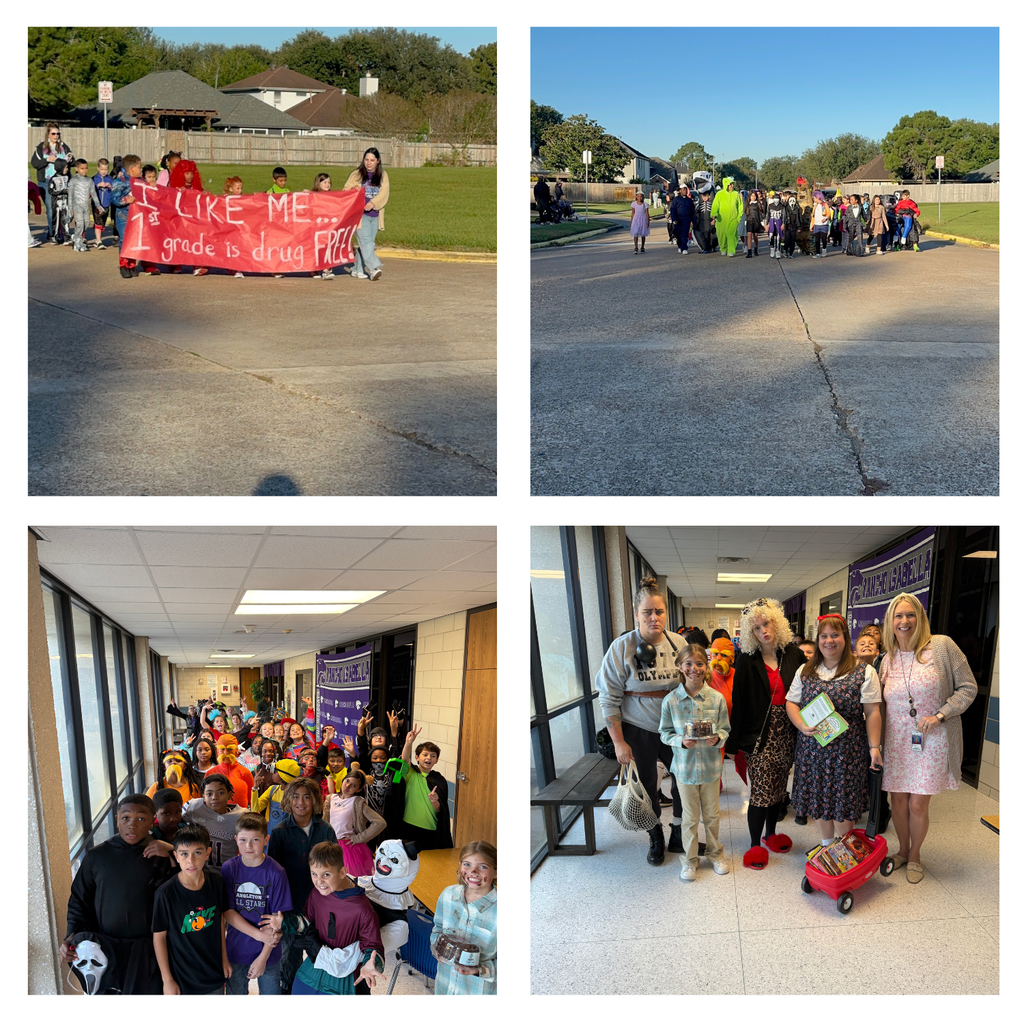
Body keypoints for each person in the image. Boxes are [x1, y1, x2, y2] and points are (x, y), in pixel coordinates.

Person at [879, 592, 977, 883]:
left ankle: (915, 855)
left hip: (931, 741)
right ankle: (902, 850)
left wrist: (940, 715)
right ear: (890, 622)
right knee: (898, 802)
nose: (905, 621)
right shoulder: (887, 659)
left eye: (911, 614)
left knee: (918, 804)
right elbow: (878, 704)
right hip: (896, 742)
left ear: (921, 617)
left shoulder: (942, 647)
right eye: (898, 616)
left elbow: (968, 687)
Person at [595, 575, 685, 865]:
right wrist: (619, 742)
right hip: (639, 729)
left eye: (659, 611)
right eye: (647, 612)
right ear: (636, 614)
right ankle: (655, 834)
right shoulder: (621, 648)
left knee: (684, 781)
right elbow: (609, 698)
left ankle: (679, 832)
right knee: (646, 787)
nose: (654, 617)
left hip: (675, 728)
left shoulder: (678, 643)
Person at [59, 794, 173, 993]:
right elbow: (79, 900)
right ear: (117, 820)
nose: (132, 825)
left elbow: (184, 892)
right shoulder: (97, 856)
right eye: (126, 818)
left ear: (152, 820)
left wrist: (173, 853)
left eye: (141, 818)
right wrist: (72, 936)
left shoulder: (162, 855)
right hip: (106, 947)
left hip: (150, 949)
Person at [786, 614, 883, 845]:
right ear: (818, 640)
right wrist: (801, 725)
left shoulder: (864, 671)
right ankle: (826, 845)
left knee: (844, 805)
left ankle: (844, 849)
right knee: (818, 801)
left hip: (847, 752)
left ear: (845, 638)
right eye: (824, 636)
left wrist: (874, 748)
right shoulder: (805, 670)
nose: (829, 641)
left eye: (835, 635)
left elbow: (872, 712)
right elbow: (791, 702)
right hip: (812, 750)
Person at [726, 598, 806, 869]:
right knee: (761, 792)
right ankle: (754, 845)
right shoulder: (746, 661)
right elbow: (739, 703)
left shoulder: (793, 655)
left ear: (777, 623)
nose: (763, 631)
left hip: (788, 733)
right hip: (759, 736)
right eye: (757, 628)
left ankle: (770, 835)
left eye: (767, 624)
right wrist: (733, 744)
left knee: (778, 790)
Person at [261, 842, 385, 995]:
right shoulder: (317, 893)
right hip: (317, 963)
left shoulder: (363, 909)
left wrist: (371, 964)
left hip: (346, 975)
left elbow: (373, 946)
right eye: (314, 874)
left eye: (326, 874)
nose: (319, 881)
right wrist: (284, 922)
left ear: (342, 872)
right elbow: (307, 922)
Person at [659, 645, 731, 880]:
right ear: (680, 667)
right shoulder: (671, 701)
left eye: (699, 664)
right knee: (689, 818)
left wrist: (717, 738)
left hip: (710, 768)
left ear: (706, 666)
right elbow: (664, 733)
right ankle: (690, 860)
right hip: (684, 769)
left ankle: (715, 854)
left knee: (712, 815)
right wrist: (680, 740)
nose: (694, 669)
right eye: (688, 664)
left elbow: (725, 729)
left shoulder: (716, 699)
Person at [267, 778, 339, 993]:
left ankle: (319, 992)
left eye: (307, 797)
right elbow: (274, 874)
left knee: (323, 953)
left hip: (323, 906)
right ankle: (289, 991)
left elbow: (336, 866)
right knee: (289, 955)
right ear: (288, 800)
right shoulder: (280, 831)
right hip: (290, 906)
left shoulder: (325, 829)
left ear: (315, 800)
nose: (301, 802)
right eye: (296, 797)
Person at [152, 823, 231, 995]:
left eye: (197, 853)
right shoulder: (165, 894)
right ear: (176, 856)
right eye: (184, 854)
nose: (191, 860)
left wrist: (224, 958)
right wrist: (167, 980)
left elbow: (220, 922)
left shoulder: (217, 882)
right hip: (183, 978)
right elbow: (159, 938)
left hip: (214, 972)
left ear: (207, 853)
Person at [222, 812, 292, 995]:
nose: (249, 846)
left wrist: (262, 958)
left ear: (266, 840)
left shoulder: (276, 872)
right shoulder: (229, 868)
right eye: (243, 840)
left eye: (255, 840)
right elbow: (228, 911)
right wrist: (260, 935)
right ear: (236, 840)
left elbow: (276, 921)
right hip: (236, 949)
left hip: (269, 953)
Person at [430, 840, 497, 994]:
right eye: (467, 864)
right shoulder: (448, 895)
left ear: (496, 872)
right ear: (460, 866)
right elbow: (438, 928)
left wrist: (480, 969)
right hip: (444, 986)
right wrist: (436, 947)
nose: (473, 871)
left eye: (483, 866)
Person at [397, 724, 454, 849]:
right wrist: (408, 743)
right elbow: (404, 760)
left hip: (430, 829)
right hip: (408, 826)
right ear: (417, 758)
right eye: (425, 755)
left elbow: (441, 810)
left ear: (436, 760)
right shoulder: (410, 773)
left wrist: (435, 801)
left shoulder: (440, 780)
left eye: (433, 756)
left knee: (428, 860)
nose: (429, 758)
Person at [325, 769, 386, 877]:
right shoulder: (331, 798)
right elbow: (325, 821)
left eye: (353, 785)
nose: (347, 786)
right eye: (347, 781)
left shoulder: (357, 802)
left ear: (358, 789)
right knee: (330, 877)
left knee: (348, 879)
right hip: (330, 844)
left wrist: (360, 838)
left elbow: (380, 822)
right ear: (343, 779)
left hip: (348, 848)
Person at [344, 147, 389, 281]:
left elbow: (384, 193)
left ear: (378, 161)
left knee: (367, 243)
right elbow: (345, 191)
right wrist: (354, 189)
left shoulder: (383, 175)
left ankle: (356, 269)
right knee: (366, 242)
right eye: (366, 160)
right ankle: (374, 268)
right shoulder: (356, 174)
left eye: (372, 160)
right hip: (360, 215)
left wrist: (373, 203)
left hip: (375, 215)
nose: (369, 163)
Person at [182, 773, 245, 867]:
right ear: (203, 797)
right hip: (199, 870)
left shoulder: (242, 816)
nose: (215, 797)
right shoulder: (193, 807)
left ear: (229, 795)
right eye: (209, 794)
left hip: (228, 870)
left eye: (220, 793)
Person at [31, 123, 74, 242]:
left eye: (58, 133)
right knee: (51, 208)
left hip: (62, 181)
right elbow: (34, 163)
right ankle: (52, 234)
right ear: (48, 135)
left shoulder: (63, 147)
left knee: (63, 208)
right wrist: (47, 159)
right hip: (46, 181)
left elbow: (72, 161)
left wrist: (70, 159)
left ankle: (61, 233)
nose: (56, 136)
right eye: (53, 133)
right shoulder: (41, 147)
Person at [110, 154, 144, 278]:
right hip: (123, 215)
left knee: (134, 240)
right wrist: (125, 200)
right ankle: (124, 265)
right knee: (124, 239)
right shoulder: (119, 182)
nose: (141, 169)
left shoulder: (141, 182)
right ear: (132, 169)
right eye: (139, 167)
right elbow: (114, 199)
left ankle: (132, 265)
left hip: (136, 216)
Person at [711, 177, 743, 257]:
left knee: (731, 234)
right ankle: (723, 248)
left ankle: (731, 250)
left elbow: (740, 206)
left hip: (733, 218)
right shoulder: (719, 194)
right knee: (721, 235)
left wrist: (738, 218)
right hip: (721, 219)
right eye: (730, 184)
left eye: (732, 184)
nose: (732, 186)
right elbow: (715, 205)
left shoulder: (736, 194)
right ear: (726, 184)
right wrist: (714, 214)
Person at [91, 158, 114, 248]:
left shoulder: (110, 179)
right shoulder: (94, 178)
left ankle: (98, 240)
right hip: (96, 205)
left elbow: (114, 191)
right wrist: (97, 186)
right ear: (98, 168)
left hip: (106, 204)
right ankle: (99, 241)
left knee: (103, 223)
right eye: (102, 169)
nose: (104, 171)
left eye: (106, 169)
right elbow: (90, 191)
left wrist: (110, 187)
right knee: (98, 221)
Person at [669, 185, 696, 254]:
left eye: (685, 189)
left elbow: (693, 211)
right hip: (678, 219)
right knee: (678, 233)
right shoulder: (676, 200)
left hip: (686, 219)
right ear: (680, 190)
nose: (685, 191)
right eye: (683, 189)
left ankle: (684, 248)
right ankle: (680, 245)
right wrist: (674, 219)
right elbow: (673, 209)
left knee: (684, 233)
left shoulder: (689, 200)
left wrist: (693, 220)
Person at [810, 190, 831, 258]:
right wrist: (812, 225)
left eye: (814, 197)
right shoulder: (815, 205)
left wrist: (826, 218)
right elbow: (813, 216)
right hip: (816, 224)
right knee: (817, 240)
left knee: (824, 239)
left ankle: (824, 249)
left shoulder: (825, 204)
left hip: (824, 225)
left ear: (818, 197)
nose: (813, 199)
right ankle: (818, 253)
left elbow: (829, 213)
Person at [781, 190, 802, 258]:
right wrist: (783, 224)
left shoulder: (797, 209)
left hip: (794, 226)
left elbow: (799, 218)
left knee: (793, 240)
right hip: (787, 226)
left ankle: (791, 253)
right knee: (787, 239)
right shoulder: (786, 208)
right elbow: (784, 216)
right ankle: (785, 250)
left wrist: (799, 226)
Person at [764, 191, 784, 259]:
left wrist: (783, 224)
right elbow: (768, 215)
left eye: (777, 198)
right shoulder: (770, 206)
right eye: (775, 198)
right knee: (771, 236)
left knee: (778, 237)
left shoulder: (782, 206)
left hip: (779, 222)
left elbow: (783, 216)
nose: (776, 200)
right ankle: (772, 249)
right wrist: (766, 224)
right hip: (772, 222)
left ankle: (778, 250)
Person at [744, 190, 764, 257]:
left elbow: (760, 213)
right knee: (749, 235)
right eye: (752, 196)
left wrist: (761, 221)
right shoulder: (748, 204)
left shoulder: (758, 204)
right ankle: (749, 251)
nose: (753, 197)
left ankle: (756, 248)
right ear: (750, 196)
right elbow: (747, 213)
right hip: (749, 221)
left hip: (756, 221)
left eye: (754, 196)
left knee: (755, 236)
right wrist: (746, 220)